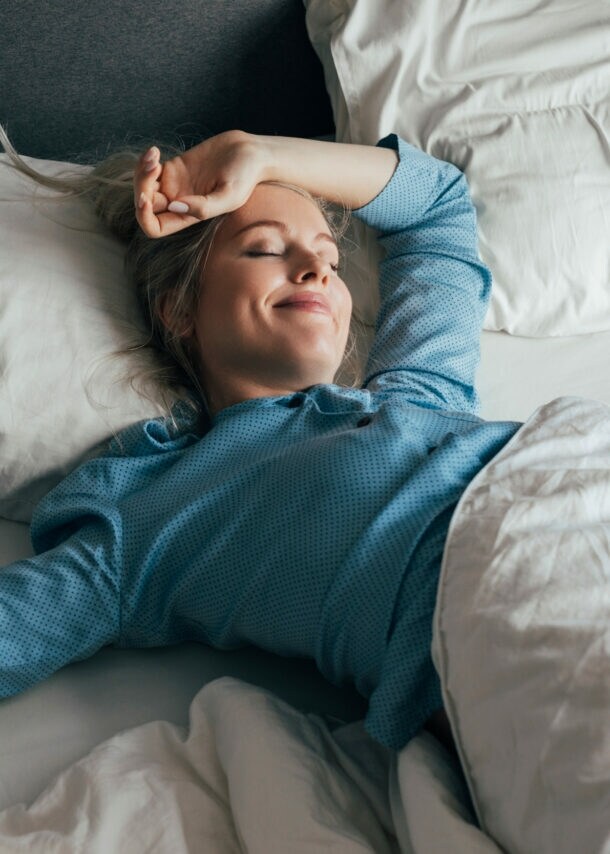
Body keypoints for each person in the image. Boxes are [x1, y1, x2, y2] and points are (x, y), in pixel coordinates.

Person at [0, 128, 521, 753]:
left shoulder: (421, 394)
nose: (316, 271)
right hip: (504, 617)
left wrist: (258, 154)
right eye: (265, 250)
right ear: (179, 310)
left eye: (330, 259)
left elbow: (436, 205)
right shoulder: (160, 512)